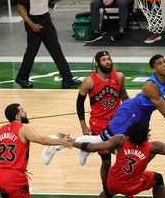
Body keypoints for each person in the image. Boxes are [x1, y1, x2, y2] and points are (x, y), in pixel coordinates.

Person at [69, 23, 165, 166]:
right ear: (154, 69)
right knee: (102, 141)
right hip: (130, 112)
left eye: (164, 61)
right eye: (160, 63)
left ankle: (127, 171)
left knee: (140, 149)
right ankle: (68, 143)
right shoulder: (150, 87)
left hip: (144, 116)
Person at [42, 51, 129, 194]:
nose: (108, 62)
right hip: (98, 122)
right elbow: (79, 103)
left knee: (123, 153)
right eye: (104, 60)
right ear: (97, 63)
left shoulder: (119, 77)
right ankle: (106, 189)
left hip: (117, 121)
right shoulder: (89, 81)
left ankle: (80, 146)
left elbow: (124, 97)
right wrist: (83, 125)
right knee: (106, 159)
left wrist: (132, 115)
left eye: (109, 59)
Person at [0, 103, 73, 197]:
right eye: (22, 111)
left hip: (0, 176)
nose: (25, 112)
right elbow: (40, 139)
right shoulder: (24, 130)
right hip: (15, 179)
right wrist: (60, 142)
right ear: (18, 117)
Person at [15, 0, 82, 89]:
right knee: (31, 53)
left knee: (57, 51)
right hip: (34, 23)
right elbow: (19, 7)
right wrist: (31, 24)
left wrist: (47, 14)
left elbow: (42, 1)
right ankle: (22, 78)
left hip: (46, 21)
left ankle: (67, 79)